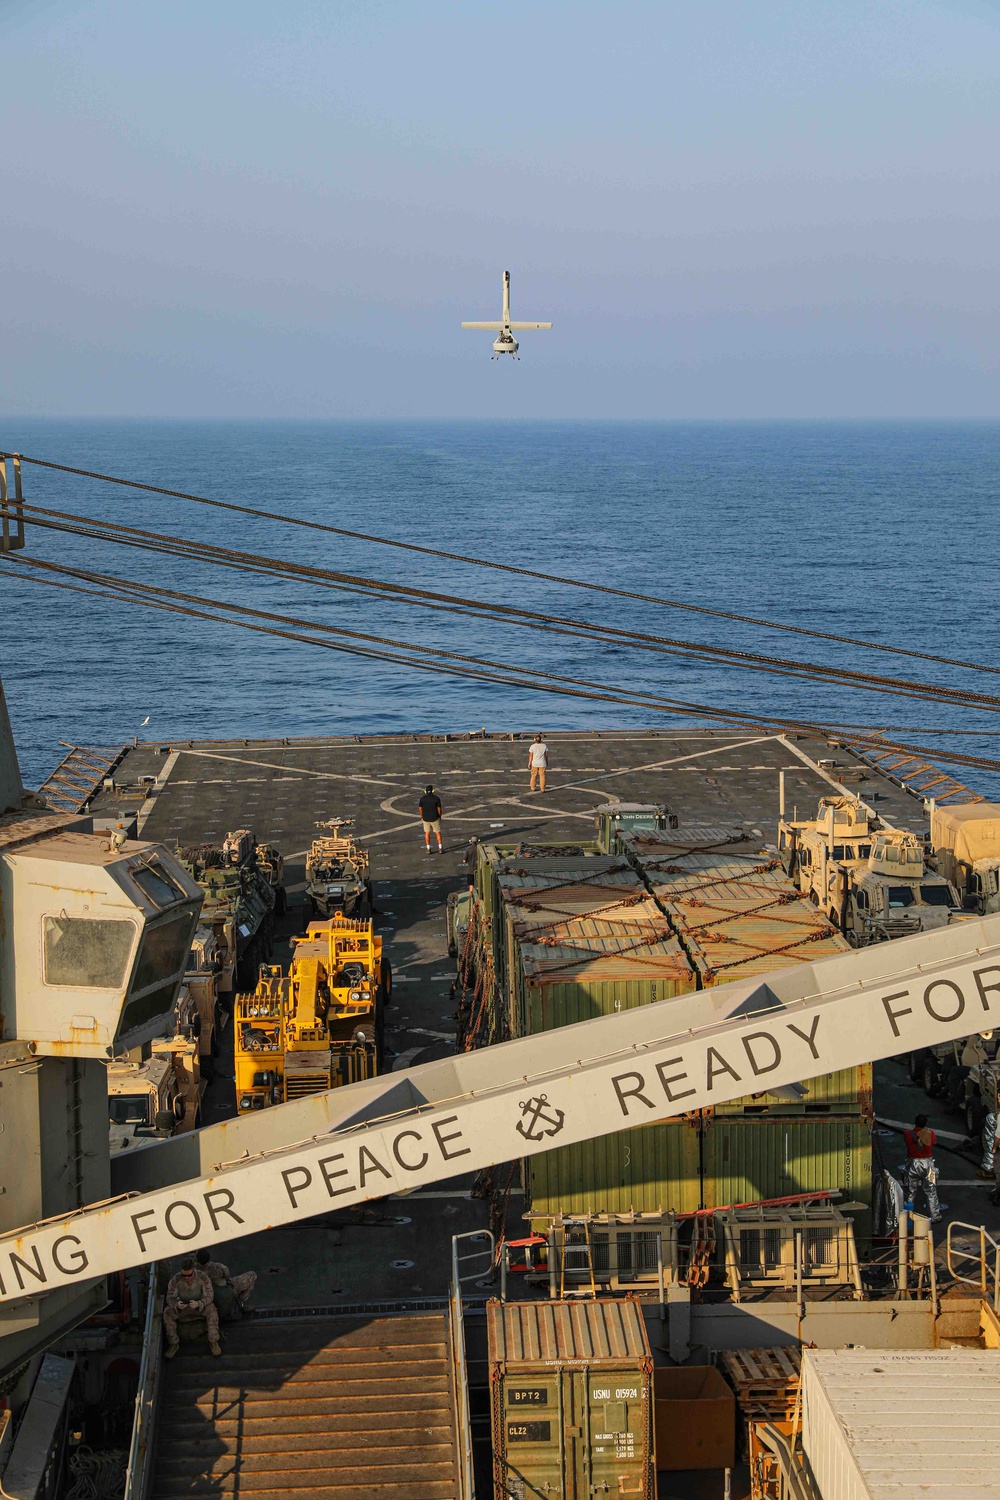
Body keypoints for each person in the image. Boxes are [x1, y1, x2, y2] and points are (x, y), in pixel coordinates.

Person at [163, 1257, 221, 1358]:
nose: (187, 1278)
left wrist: (199, 1303)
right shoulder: (175, 1280)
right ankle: (173, 1344)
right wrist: (176, 1304)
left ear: (194, 1270)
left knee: (212, 1309)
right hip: (183, 1308)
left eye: (189, 1275)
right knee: (167, 1312)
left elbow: (210, 1296)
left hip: (199, 1308)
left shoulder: (203, 1277)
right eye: (184, 1275)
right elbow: (169, 1298)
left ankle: (213, 1341)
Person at [901, 1113, 946, 1223]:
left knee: (910, 1191)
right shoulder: (930, 1134)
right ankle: (935, 1215)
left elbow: (907, 1142)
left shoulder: (907, 1134)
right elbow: (934, 1142)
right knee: (931, 1191)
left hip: (912, 1163)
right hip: (927, 1164)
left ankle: (908, 1216)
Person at [196, 1247, 257, 1320]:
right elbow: (227, 1275)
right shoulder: (218, 1267)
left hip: (208, 1295)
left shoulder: (195, 1272)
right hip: (225, 1288)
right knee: (252, 1275)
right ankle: (241, 1303)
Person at [418, 785, 443, 854]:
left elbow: (420, 808)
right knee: (437, 833)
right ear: (433, 791)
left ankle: (428, 848)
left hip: (426, 818)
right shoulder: (436, 799)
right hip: (435, 818)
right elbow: (439, 809)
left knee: (427, 833)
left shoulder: (422, 799)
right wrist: (439, 815)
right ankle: (440, 848)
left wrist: (422, 816)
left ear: (425, 791)